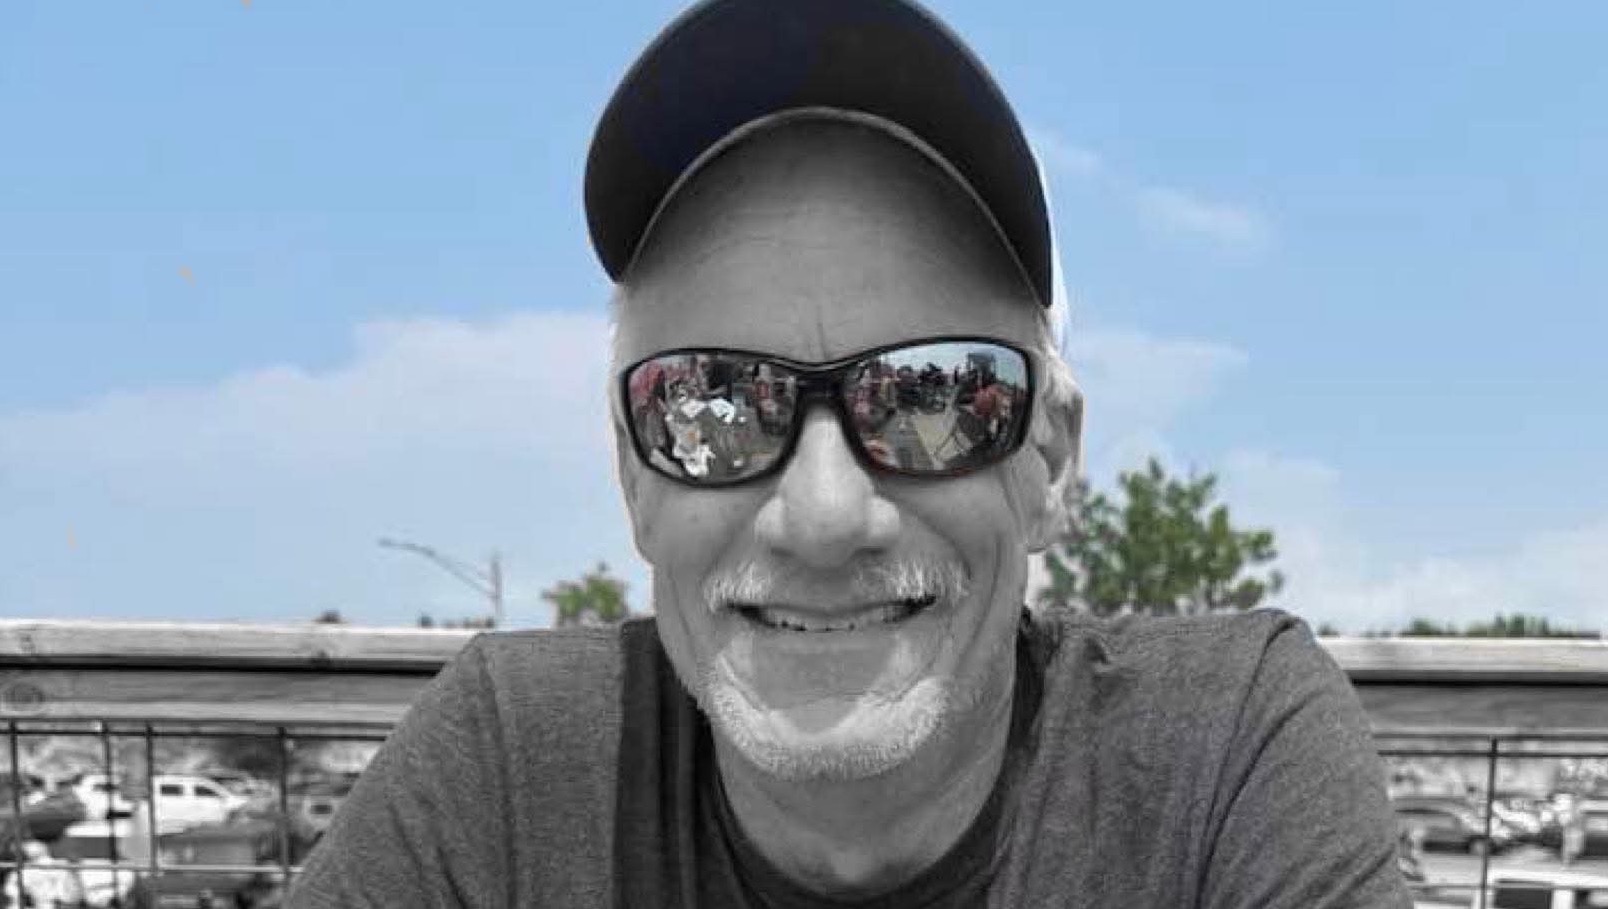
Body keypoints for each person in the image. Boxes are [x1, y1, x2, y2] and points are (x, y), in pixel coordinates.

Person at [288, 1, 1409, 906]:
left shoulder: (1222, 758)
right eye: (715, 405)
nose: (823, 515)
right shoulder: (508, 769)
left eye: (930, 399)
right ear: (633, 476)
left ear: (1052, 463)